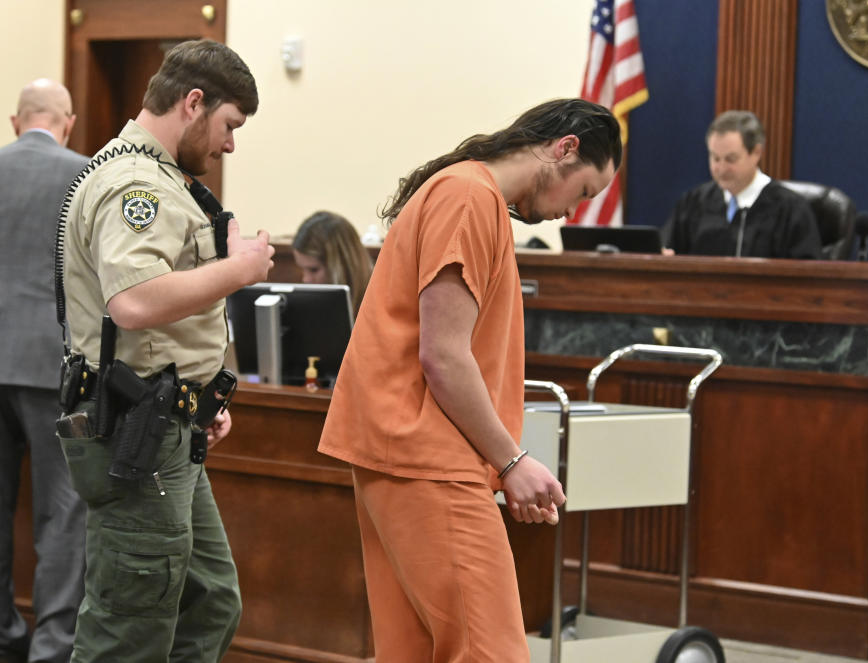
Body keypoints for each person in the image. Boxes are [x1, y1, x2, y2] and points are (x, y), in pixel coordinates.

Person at [317, 98, 621, 662]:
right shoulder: (470, 197)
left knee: (413, 651)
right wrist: (511, 461)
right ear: (566, 148)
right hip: (428, 457)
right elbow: (444, 356)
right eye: (582, 193)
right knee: (492, 654)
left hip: (402, 453)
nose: (570, 213)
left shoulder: (465, 192)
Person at [58, 40, 274, 663]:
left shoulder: (158, 177)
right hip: (140, 436)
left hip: (170, 424)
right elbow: (134, 300)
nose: (229, 144)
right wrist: (238, 270)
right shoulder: (135, 183)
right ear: (193, 102)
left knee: (208, 601)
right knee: (130, 625)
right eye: (230, 125)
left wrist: (203, 394)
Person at [0, 80, 88, 663]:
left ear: (14, 122)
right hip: (51, 364)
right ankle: (52, 647)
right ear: (69, 122)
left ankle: (4, 635)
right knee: (62, 512)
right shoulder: (86, 174)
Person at [661, 110, 821, 259]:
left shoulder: (790, 210)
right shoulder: (693, 203)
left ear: (756, 153)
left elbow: (807, 279)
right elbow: (666, 251)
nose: (721, 169)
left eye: (731, 159)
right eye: (715, 158)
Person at [291, 211, 373, 316]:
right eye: (302, 269)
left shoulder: (377, 298)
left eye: (313, 270)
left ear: (341, 266)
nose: (305, 279)